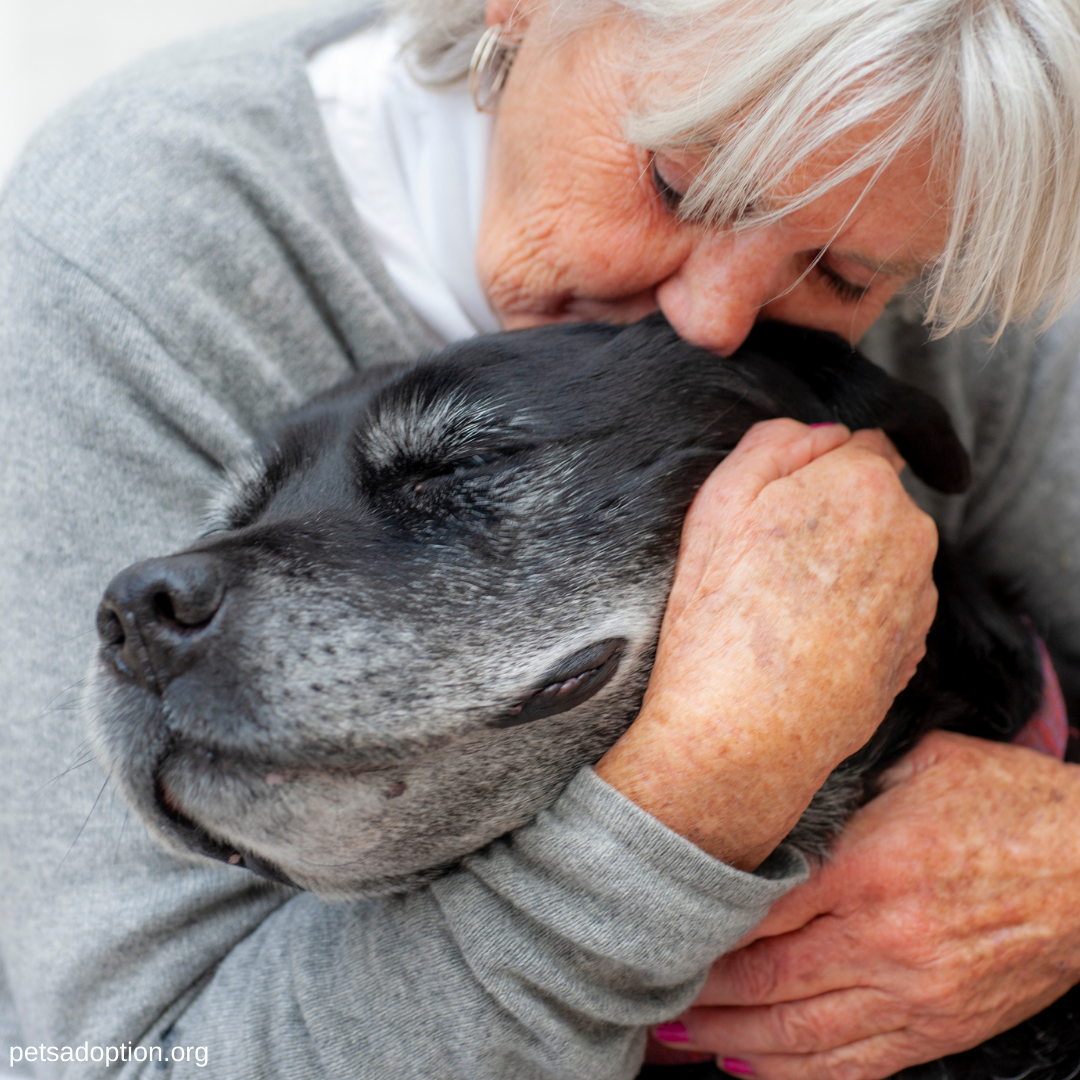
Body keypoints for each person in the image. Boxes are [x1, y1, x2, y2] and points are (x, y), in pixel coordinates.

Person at [1, 1, 1079, 1078]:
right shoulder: (127, 247)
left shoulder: (937, 233)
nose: (713, 322)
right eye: (676, 183)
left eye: (842, 279)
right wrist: (705, 789)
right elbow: (129, 1062)